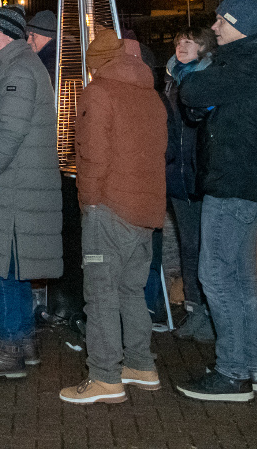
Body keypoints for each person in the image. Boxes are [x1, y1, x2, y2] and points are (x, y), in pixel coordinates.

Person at [175, 0, 257, 403]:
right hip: (249, 180)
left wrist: (196, 71)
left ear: (241, 26)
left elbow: (192, 91)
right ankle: (248, 367)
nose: (213, 27)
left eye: (221, 21)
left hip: (233, 181)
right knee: (242, 279)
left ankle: (232, 373)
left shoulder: (248, 61)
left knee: (216, 276)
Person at [58, 30, 167, 405]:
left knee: (100, 294)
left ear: (93, 63)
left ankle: (105, 376)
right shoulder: (150, 94)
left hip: (109, 208)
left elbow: (92, 155)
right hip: (146, 209)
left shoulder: (99, 92)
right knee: (130, 290)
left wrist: (88, 202)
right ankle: (140, 365)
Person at [0, 5, 62, 380]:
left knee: (3, 267)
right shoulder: (18, 67)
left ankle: (9, 347)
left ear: (6, 34)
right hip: (19, 185)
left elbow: (8, 133)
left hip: (12, 189)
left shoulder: (17, 72)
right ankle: (23, 340)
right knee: (17, 267)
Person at [164, 29, 215, 344]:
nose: (182, 46)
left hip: (203, 175)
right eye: (178, 41)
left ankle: (211, 313)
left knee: (208, 247)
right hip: (179, 175)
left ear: (204, 47)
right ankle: (195, 308)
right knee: (189, 245)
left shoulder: (211, 79)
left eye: (189, 42)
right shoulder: (170, 80)